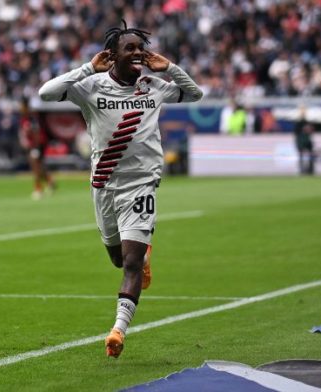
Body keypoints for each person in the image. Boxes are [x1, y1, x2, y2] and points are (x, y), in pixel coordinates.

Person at [38, 20, 203, 358]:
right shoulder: (91, 87)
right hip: (104, 186)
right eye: (130, 48)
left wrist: (169, 67)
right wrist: (87, 68)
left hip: (141, 183)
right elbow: (46, 93)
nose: (138, 54)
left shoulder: (153, 85)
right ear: (112, 56)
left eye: (140, 48)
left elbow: (196, 93)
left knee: (130, 262)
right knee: (117, 258)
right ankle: (142, 254)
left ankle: (118, 330)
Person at [19, 97, 56, 200]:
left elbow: (37, 133)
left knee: (35, 167)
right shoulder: (23, 117)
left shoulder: (32, 117)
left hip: (38, 144)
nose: (20, 107)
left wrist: (36, 147)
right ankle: (50, 181)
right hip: (32, 145)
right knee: (38, 167)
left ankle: (38, 189)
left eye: (21, 105)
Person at [294, 105, 316, 175]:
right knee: (301, 157)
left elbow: (311, 133)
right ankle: (302, 170)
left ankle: (310, 170)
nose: (303, 112)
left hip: (307, 142)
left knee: (309, 156)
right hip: (301, 142)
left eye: (304, 111)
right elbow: (296, 134)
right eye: (302, 111)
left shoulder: (307, 122)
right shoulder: (298, 123)